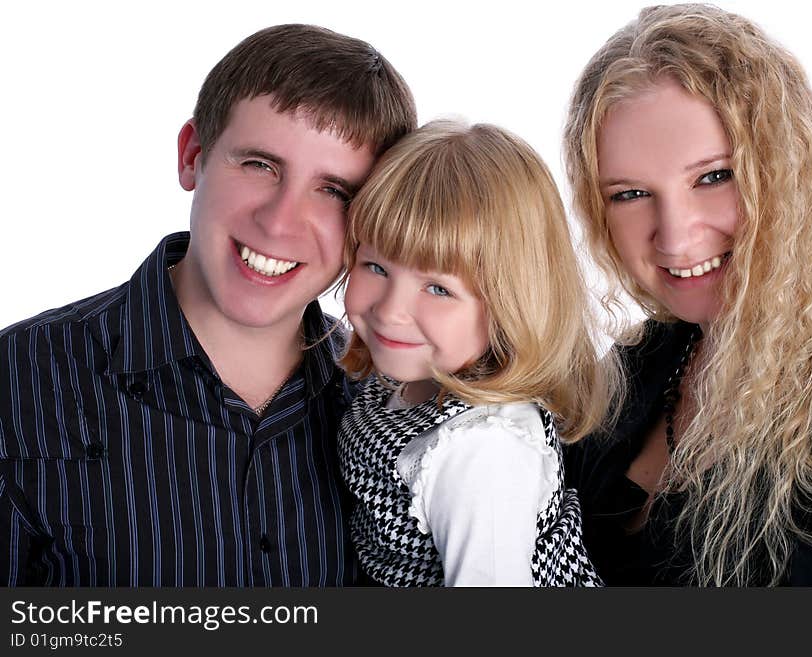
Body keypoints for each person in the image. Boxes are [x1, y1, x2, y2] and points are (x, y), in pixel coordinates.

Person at [0, 24, 416, 586]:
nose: (279, 221)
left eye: (334, 190)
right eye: (260, 165)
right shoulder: (21, 377)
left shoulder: (397, 405)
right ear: (193, 155)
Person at [562, 3, 812, 586]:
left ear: (790, 172)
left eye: (713, 176)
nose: (676, 237)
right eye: (630, 193)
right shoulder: (638, 368)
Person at [336, 120, 615, 586]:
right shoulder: (410, 382)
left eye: (438, 288)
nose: (391, 310)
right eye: (376, 266)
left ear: (509, 303)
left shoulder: (481, 450)